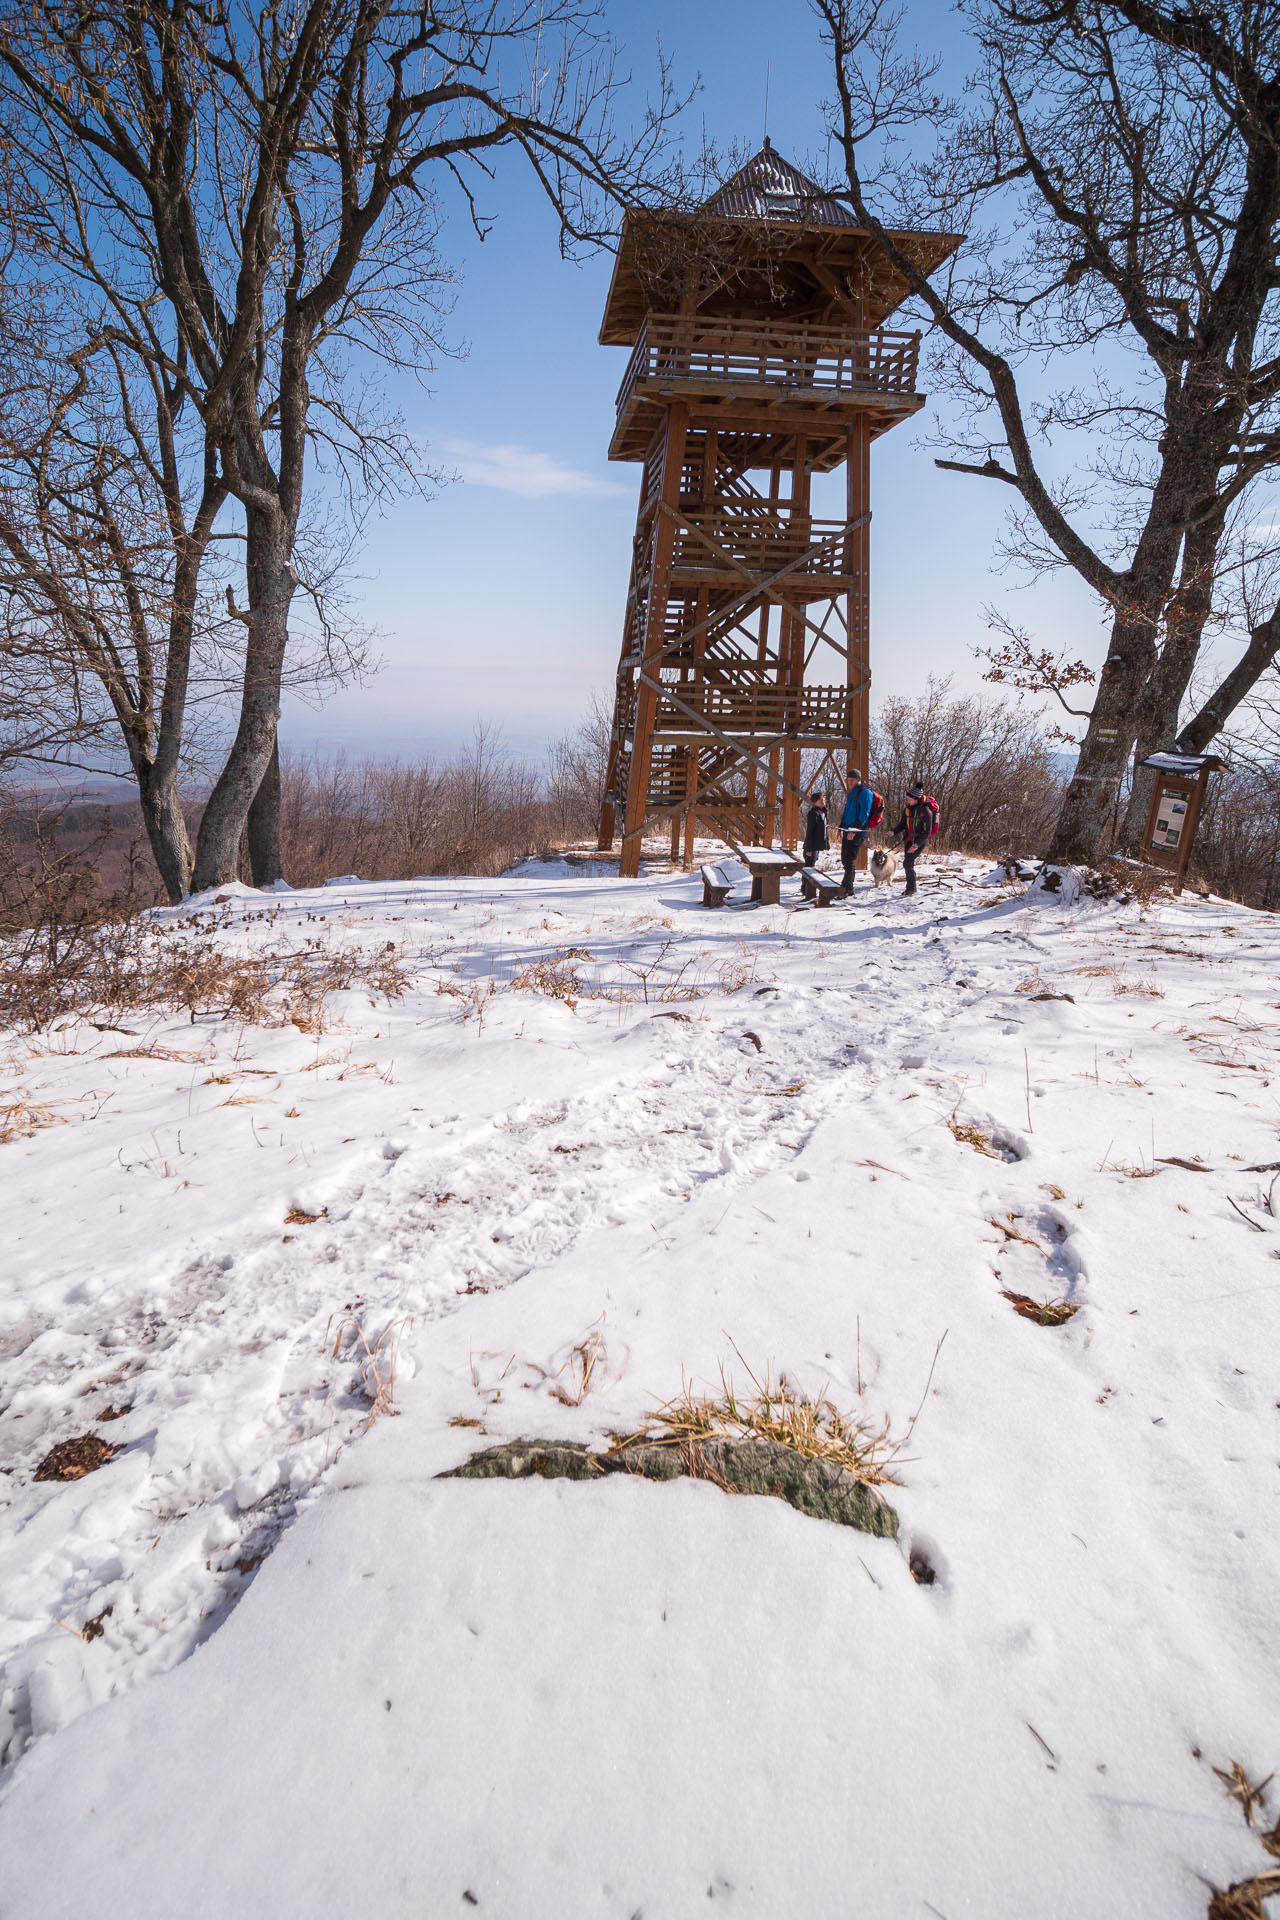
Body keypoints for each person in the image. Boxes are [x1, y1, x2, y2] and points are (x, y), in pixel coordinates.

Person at [891, 780, 941, 896]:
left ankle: (911, 889)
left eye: (909, 799)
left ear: (916, 799)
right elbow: (902, 825)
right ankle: (910, 888)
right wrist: (892, 832)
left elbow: (927, 832)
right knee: (908, 863)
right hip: (909, 839)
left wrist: (916, 845)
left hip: (920, 841)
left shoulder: (926, 812)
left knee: (907, 863)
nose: (907, 800)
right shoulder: (907, 809)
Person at [838, 767, 875, 894]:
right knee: (845, 858)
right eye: (848, 780)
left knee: (849, 859)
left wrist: (854, 830)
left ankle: (847, 888)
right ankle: (846, 887)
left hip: (857, 830)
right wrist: (841, 826)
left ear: (859, 780)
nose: (850, 783)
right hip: (847, 828)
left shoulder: (865, 793)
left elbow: (864, 814)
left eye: (852, 780)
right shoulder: (852, 792)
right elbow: (847, 811)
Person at [802, 790, 828, 866]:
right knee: (809, 868)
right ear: (814, 802)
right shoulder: (813, 813)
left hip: (816, 846)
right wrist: (809, 849)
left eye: (823, 800)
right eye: (820, 800)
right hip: (811, 847)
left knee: (811, 866)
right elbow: (810, 831)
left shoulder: (822, 813)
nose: (823, 801)